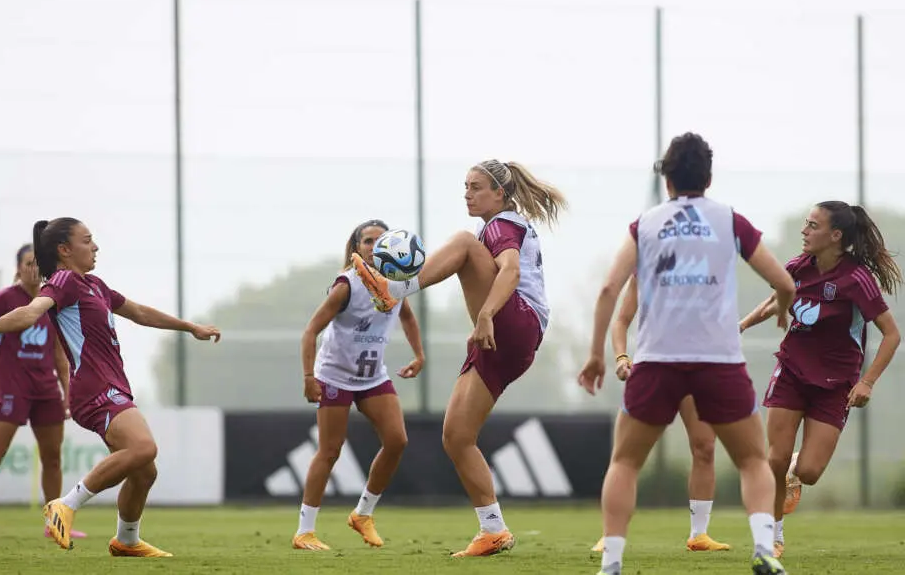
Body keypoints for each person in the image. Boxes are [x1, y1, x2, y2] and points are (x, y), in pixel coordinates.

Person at [578, 132, 796, 575]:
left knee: (624, 462)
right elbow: (785, 283)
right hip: (719, 361)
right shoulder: (731, 222)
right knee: (754, 459)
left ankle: (612, 564)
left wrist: (597, 354)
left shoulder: (646, 224)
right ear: (709, 177)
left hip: (657, 360)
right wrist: (784, 309)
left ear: (667, 179)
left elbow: (607, 289)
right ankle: (763, 550)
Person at [0, 218, 221, 557]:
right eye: (88, 240)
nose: (95, 246)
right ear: (64, 250)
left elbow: (140, 312)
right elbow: (31, 311)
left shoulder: (95, 284)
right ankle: (64, 505)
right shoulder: (64, 281)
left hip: (113, 386)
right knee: (144, 448)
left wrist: (190, 327)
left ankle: (126, 540)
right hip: (94, 388)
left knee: (144, 472)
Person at [351, 159, 567, 557]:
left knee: (465, 243)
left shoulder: (502, 224)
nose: (467, 193)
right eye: (465, 186)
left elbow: (512, 271)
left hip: (514, 322)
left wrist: (486, 314)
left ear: (500, 194)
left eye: (476, 187)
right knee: (456, 436)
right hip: (511, 342)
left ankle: (394, 291)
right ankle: (493, 530)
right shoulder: (497, 225)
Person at [739, 201, 901, 559]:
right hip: (792, 371)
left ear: (836, 236)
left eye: (813, 226)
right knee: (774, 460)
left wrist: (867, 382)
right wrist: (740, 326)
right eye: (805, 224)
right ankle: (772, 538)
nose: (805, 231)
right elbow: (774, 300)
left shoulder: (857, 279)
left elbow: (892, 335)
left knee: (808, 472)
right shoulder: (797, 267)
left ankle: (797, 470)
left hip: (837, 382)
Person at [293, 219, 425, 551]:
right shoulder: (346, 286)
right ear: (356, 249)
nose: (374, 246)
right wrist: (309, 377)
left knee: (397, 441)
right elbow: (310, 331)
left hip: (372, 377)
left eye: (381, 241)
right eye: (367, 241)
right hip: (335, 375)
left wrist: (419, 355)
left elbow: (407, 316)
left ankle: (362, 514)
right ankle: (304, 531)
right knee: (330, 451)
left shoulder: (397, 282)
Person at [590, 273, 730, 554]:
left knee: (705, 446)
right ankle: (611, 535)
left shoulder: (708, 267)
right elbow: (621, 321)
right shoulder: (646, 269)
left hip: (697, 368)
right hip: (653, 368)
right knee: (627, 456)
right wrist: (620, 357)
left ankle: (699, 535)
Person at [0, 244, 87, 541]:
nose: (33, 269)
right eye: (28, 263)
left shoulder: (50, 301)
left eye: (37, 264)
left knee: (53, 457)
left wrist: (68, 391)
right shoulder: (4, 299)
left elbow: (59, 355)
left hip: (46, 392)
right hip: (12, 390)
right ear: (18, 268)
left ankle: (54, 522)